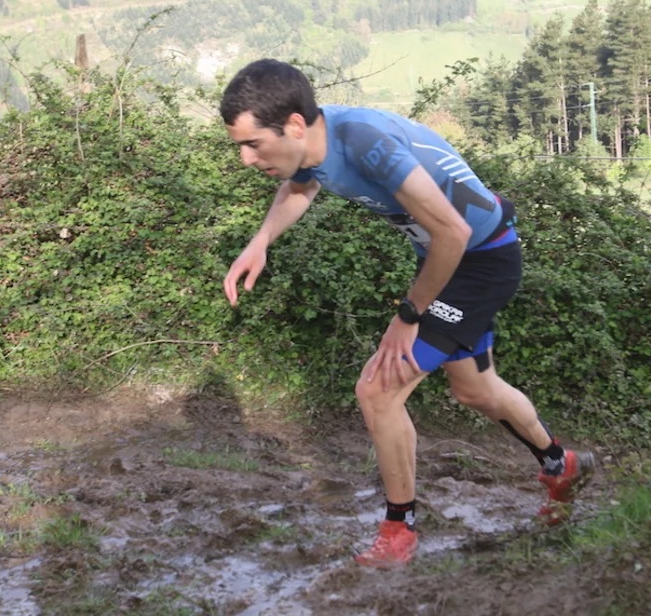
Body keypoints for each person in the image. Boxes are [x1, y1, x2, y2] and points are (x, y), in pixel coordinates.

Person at [219, 59, 595, 569]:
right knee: (474, 389)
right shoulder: (312, 144)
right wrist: (261, 241)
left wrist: (409, 314)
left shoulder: (366, 144)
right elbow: (300, 187)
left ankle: (399, 531)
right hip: (451, 259)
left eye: (253, 144)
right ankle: (561, 464)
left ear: (294, 125)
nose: (246, 159)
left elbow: (454, 233)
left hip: (479, 262)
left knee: (378, 390)